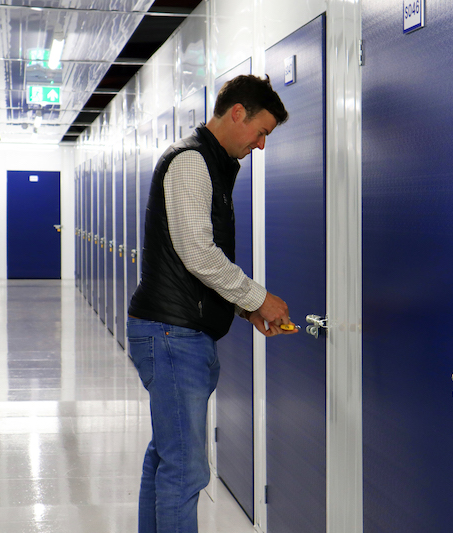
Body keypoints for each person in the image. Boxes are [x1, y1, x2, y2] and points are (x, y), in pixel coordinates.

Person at [127, 74, 294, 533]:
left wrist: (245, 309)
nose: (261, 145)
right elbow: (197, 252)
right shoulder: (191, 163)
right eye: (260, 131)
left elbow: (195, 262)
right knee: (185, 470)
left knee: (168, 455)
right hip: (171, 333)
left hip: (177, 329)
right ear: (237, 112)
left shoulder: (212, 165)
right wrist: (260, 298)